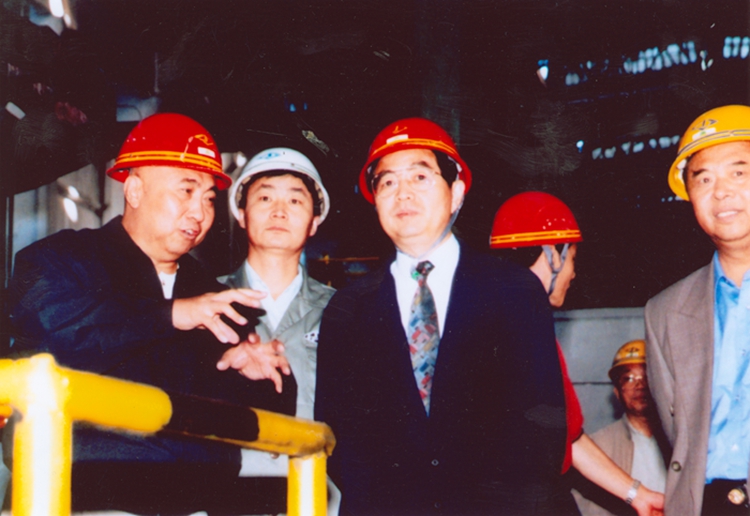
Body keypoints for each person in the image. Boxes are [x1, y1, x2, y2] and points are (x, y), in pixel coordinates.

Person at [6, 113, 295, 514]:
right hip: (78, 499)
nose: (199, 212)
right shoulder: (55, 261)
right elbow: (61, 335)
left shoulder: (214, 297)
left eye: (209, 198)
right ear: (135, 190)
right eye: (186, 190)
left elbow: (261, 424)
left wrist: (255, 375)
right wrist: (170, 315)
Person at [315, 117, 569, 515]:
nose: (402, 193)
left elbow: (542, 433)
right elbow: (337, 442)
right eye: (387, 182)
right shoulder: (347, 309)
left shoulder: (514, 291)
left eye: (420, 176)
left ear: (457, 193)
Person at [490, 192, 665, 516]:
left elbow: (569, 439)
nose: (573, 273)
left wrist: (638, 496)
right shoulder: (515, 329)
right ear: (552, 255)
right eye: (572, 258)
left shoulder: (522, 323)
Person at [218, 147, 337, 512]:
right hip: (224, 499)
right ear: (242, 214)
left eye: (296, 200)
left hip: (318, 496)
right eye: (265, 197)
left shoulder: (345, 313)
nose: (279, 211)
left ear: (314, 221)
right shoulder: (203, 303)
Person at [646, 104, 750, 516]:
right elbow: (680, 439)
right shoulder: (665, 312)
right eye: (703, 178)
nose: (720, 191)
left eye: (738, 172)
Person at [573, 340, 669, 516]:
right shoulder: (596, 447)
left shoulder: (683, 444)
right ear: (617, 392)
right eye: (628, 378)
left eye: (647, 376)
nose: (639, 385)